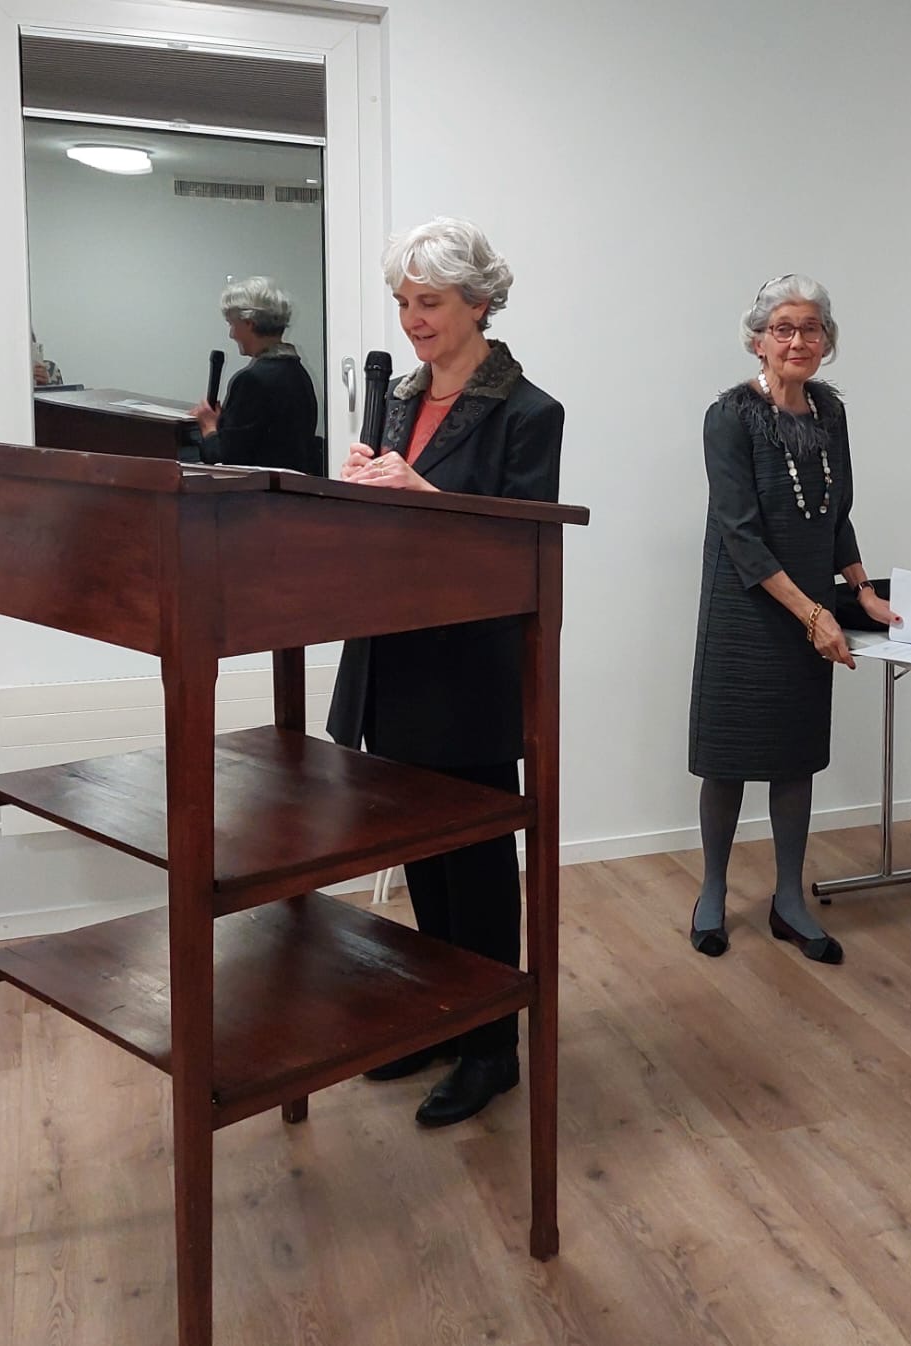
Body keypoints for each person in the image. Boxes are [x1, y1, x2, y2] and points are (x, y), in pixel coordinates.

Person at [326, 217, 564, 1127]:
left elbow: (522, 545)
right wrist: (355, 489)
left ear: (480, 301)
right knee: (422, 849)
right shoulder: (395, 399)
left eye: (428, 302)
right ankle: (443, 1014)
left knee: (477, 859)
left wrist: (421, 492)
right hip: (392, 653)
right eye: (402, 302)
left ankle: (492, 1046)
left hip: (468, 665)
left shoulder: (528, 412)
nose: (411, 319)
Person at [687, 274, 896, 965]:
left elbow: (837, 515)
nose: (798, 340)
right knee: (727, 759)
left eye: (811, 328)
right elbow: (740, 534)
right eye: (783, 328)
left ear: (826, 340)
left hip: (810, 606)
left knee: (795, 756)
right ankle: (712, 891)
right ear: (758, 340)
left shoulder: (830, 412)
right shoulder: (728, 416)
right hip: (744, 606)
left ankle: (788, 899)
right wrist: (814, 614)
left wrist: (861, 591)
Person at [193, 276, 320, 472]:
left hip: (257, 490)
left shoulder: (251, 381)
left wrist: (208, 427)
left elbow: (225, 460)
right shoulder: (300, 375)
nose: (231, 334)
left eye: (232, 324)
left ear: (249, 323)